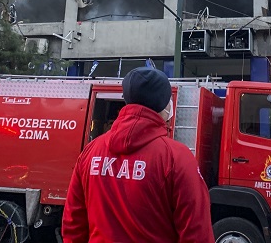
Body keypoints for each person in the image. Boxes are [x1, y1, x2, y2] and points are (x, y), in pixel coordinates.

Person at [62, 67, 214, 243]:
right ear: (165, 104)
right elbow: (197, 234)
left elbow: (73, 224)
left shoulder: (91, 151)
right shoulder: (177, 158)